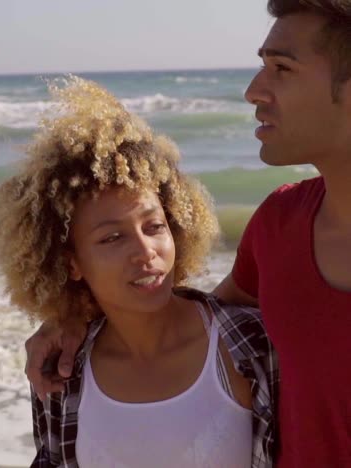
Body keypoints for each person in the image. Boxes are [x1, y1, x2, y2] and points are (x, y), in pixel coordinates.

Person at [24, 1, 351, 467]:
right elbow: (201, 318)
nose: (253, 91)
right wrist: (74, 314)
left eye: (282, 68)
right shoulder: (280, 223)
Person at [0, 78, 278, 467]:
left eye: (154, 227)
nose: (145, 252)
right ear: (70, 262)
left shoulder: (251, 347)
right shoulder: (63, 373)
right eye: (112, 239)